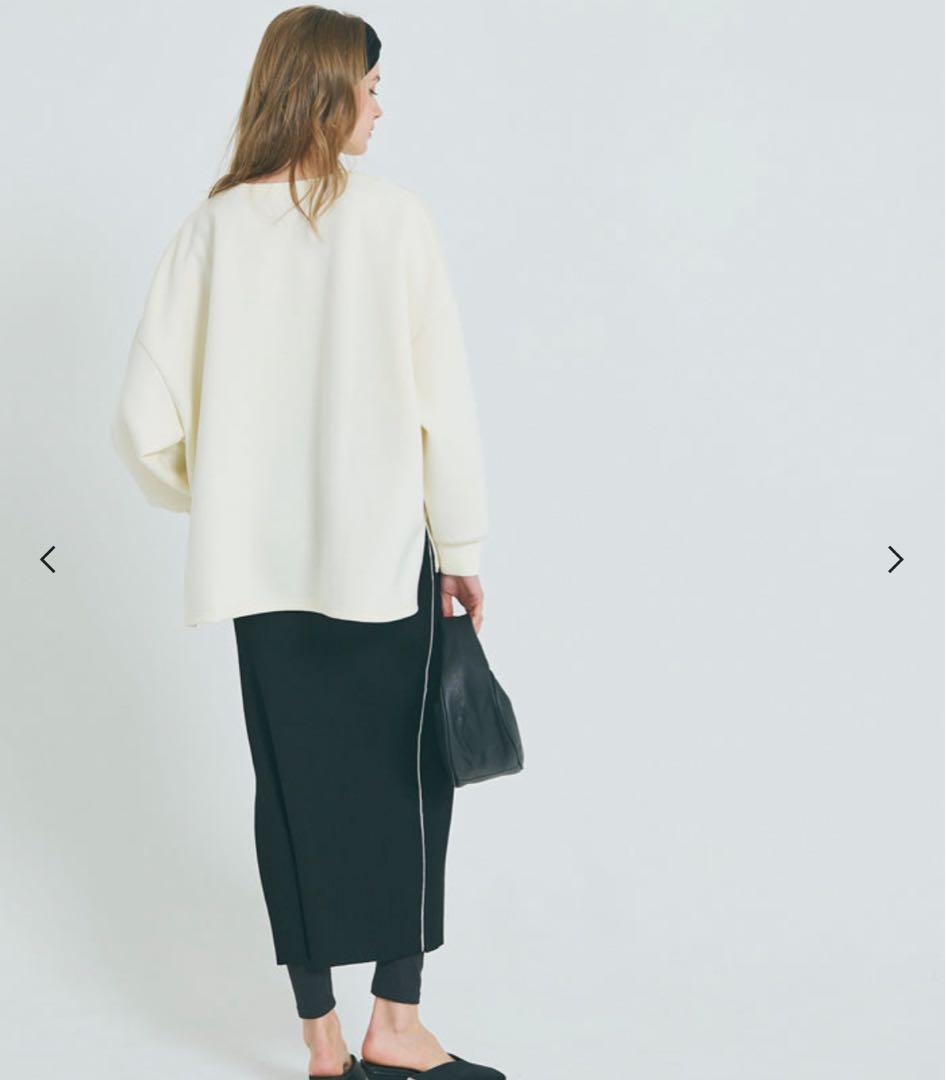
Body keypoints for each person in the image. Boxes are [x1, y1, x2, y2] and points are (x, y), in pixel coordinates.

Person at [110, 7, 504, 1080]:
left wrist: (225, 502)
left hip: (256, 572)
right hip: (381, 560)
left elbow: (142, 424)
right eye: (370, 86)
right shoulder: (395, 220)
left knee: (289, 792)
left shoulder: (211, 229)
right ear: (327, 92)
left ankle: (324, 1045)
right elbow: (444, 405)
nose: (381, 106)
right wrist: (461, 544)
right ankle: (397, 1024)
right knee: (411, 781)